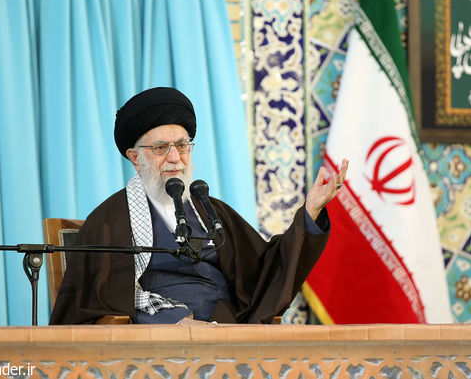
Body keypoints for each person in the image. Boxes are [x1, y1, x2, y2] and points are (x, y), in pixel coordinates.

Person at [49, 87, 348, 324]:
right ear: (134, 157)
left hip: (229, 332)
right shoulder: (109, 220)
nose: (175, 157)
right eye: (160, 148)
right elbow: (100, 298)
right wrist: (176, 322)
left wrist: (309, 211)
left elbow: (266, 271)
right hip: (160, 343)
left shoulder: (210, 210)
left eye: (181, 145)